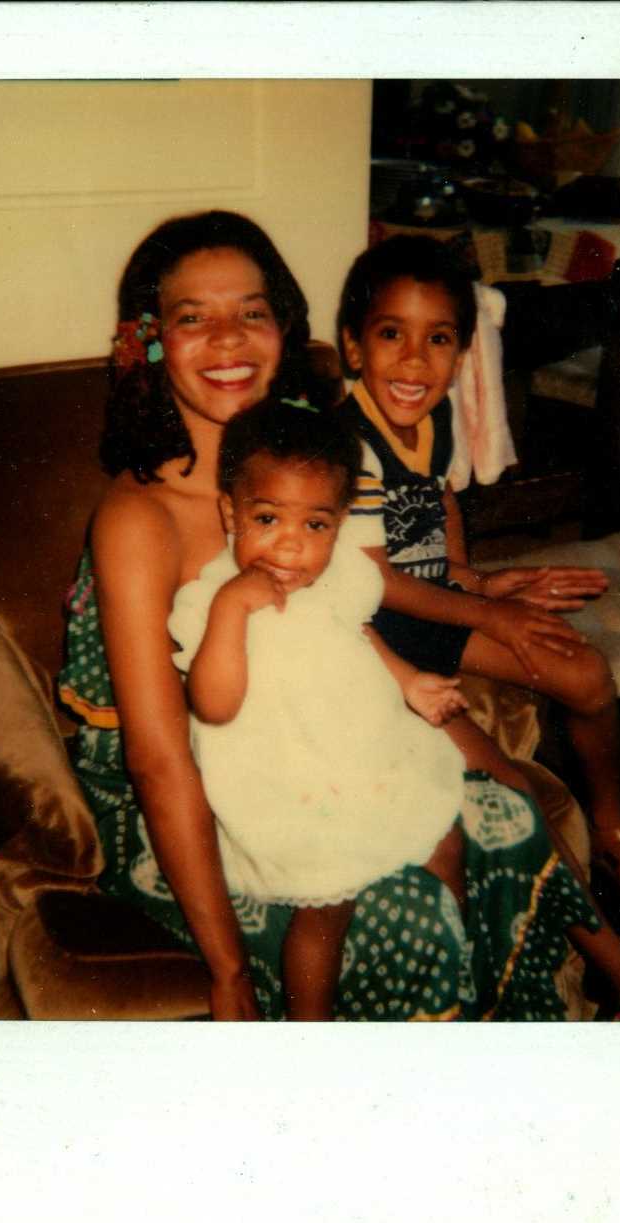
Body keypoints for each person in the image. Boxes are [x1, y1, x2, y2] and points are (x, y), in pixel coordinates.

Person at [58, 208, 620, 1021]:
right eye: (193, 318)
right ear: (152, 338)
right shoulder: (138, 516)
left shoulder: (304, 455)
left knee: (504, 812)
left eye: (250, 312)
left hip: (323, 735)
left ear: (284, 328)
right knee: (399, 908)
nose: (227, 339)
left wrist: (458, 619)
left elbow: (361, 590)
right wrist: (226, 971)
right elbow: (159, 761)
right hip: (217, 787)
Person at [335, 234, 620, 912]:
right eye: (390, 334)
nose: (415, 358)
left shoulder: (432, 413)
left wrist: (472, 576)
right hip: (370, 629)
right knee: (522, 746)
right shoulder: (350, 446)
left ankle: (614, 827)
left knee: (586, 673)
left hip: (432, 606)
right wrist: (489, 612)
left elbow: (440, 501)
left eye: (438, 339)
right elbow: (372, 583)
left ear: (462, 351)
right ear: (353, 347)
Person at [171, 397, 469, 1019]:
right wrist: (233, 609)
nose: (290, 547)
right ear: (231, 512)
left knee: (443, 827)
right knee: (325, 906)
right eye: (268, 518)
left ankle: (455, 961)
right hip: (283, 777)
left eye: (316, 526)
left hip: (352, 747)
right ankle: (310, 1029)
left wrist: (409, 679)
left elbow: (359, 633)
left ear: (339, 524)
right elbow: (214, 705)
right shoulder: (210, 597)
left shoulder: (332, 581)